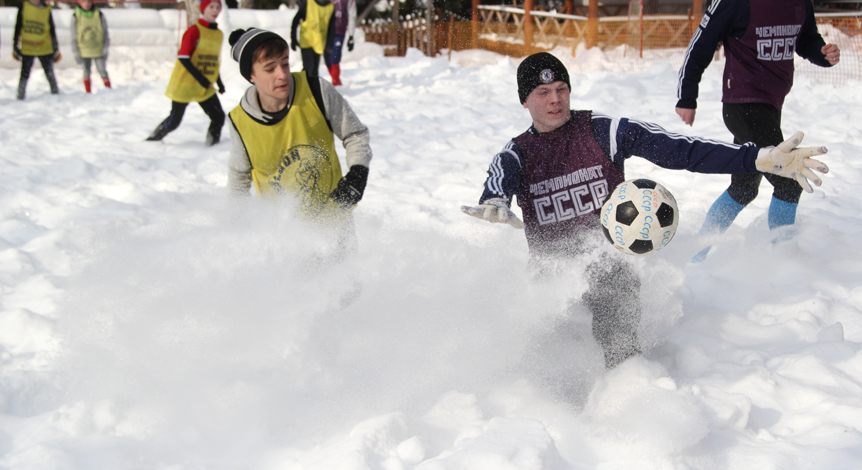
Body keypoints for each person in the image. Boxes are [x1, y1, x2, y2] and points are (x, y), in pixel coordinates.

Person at [462, 52, 830, 369]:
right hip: (554, 278)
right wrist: (495, 200)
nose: (555, 100)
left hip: (610, 266)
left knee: (616, 318)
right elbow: (500, 180)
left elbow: (684, 149)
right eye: (543, 93)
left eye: (561, 90)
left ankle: (628, 389)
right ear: (525, 101)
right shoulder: (517, 153)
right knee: (545, 359)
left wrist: (756, 157)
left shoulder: (604, 131)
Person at [675, 0, 840, 257]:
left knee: (744, 188)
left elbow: (806, 39)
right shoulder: (735, 3)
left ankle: (694, 256)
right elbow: (700, 46)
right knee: (788, 179)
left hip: (771, 107)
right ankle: (782, 261)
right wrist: (687, 96)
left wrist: (822, 53)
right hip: (743, 106)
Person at [226, 27, 371, 251]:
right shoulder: (240, 121)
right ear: (251, 75)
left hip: (334, 222)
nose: (282, 74)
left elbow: (355, 134)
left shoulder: (316, 91)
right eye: (270, 68)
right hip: (283, 236)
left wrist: (357, 175)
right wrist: (237, 230)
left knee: (345, 285)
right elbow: (239, 179)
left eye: (284, 63)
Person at [146, 0, 225, 146]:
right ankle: (151, 141)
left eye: (217, 7)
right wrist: (201, 78)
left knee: (218, 116)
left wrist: (219, 81)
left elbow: (213, 60)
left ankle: (211, 147)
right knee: (174, 121)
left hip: (204, 85)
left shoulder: (218, 34)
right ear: (203, 9)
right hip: (185, 84)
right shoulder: (194, 31)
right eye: (211, 7)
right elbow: (183, 58)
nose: (215, 10)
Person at [13, 0, 61, 100]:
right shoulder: (24, 7)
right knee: (24, 73)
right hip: (28, 47)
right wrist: (15, 45)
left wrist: (55, 47)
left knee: (49, 73)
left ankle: (56, 94)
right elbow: (18, 27)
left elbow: (52, 29)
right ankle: (20, 97)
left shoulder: (47, 10)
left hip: (44, 47)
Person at [71, 0, 111, 93]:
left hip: (98, 48)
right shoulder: (76, 16)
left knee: (102, 70)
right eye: (84, 2)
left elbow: (105, 32)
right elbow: (73, 34)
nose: (86, 4)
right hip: (84, 49)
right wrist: (75, 51)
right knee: (86, 71)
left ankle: (109, 90)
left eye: (88, 2)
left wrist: (106, 46)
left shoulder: (99, 15)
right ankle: (88, 92)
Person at [290, 0, 335, 79]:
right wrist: (293, 38)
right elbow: (296, 20)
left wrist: (329, 46)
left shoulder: (330, 7)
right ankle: (302, 88)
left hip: (319, 43)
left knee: (314, 71)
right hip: (306, 41)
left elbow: (332, 29)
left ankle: (311, 89)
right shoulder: (308, 2)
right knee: (308, 69)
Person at [324, 0, 356, 86]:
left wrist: (351, 35)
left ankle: (336, 83)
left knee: (335, 57)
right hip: (325, 31)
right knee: (327, 59)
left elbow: (352, 15)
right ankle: (336, 80)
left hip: (339, 31)